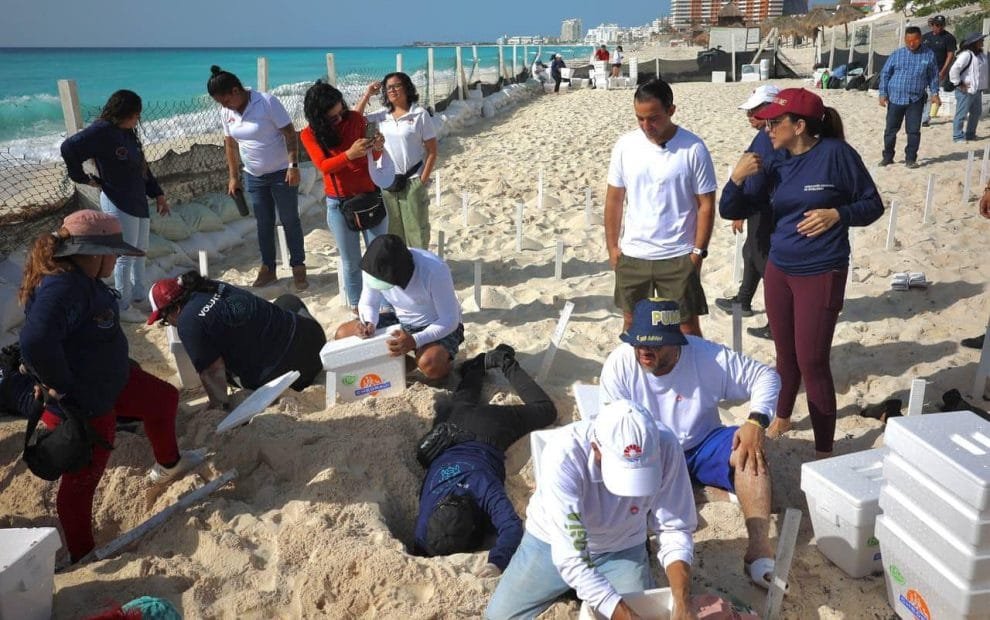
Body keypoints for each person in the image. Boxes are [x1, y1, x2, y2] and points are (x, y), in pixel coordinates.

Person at [18, 210, 202, 562]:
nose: (117, 260)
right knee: (82, 481)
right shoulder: (65, 287)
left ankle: (170, 464)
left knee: (163, 399)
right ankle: (83, 555)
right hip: (87, 403)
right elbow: (35, 340)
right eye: (113, 253)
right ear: (93, 253)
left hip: (112, 379)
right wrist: (62, 386)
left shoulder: (78, 278)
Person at [720, 88, 884, 457]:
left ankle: (824, 450)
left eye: (774, 123)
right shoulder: (774, 160)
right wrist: (736, 179)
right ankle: (782, 417)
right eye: (766, 123)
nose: (767, 129)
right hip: (779, 268)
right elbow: (731, 209)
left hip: (822, 269)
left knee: (812, 360)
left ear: (799, 126)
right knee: (785, 354)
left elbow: (873, 204)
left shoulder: (836, 154)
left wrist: (838, 214)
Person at [598, 298, 781, 588]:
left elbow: (766, 376)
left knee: (751, 453)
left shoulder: (706, 356)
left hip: (702, 441)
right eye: (638, 342)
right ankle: (696, 493)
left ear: (676, 342)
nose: (643, 350)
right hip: (651, 451)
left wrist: (756, 421)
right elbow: (612, 428)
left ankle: (759, 548)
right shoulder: (619, 364)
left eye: (654, 344)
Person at [485, 399, 696, 620]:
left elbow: (675, 528)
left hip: (622, 547)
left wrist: (682, 602)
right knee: (497, 617)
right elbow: (571, 558)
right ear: (596, 449)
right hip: (549, 543)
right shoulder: (564, 454)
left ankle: (585, 588)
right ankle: (569, 587)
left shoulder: (667, 445)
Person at [414, 345, 556, 576]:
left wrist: (496, 563)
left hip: (485, 431)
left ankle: (503, 361)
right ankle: (477, 367)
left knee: (546, 410)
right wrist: (496, 562)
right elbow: (510, 527)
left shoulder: (482, 485)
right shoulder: (424, 528)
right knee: (463, 401)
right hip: (449, 428)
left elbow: (512, 527)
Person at [605, 78, 717, 337]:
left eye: (653, 118)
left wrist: (697, 252)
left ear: (671, 110)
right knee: (632, 325)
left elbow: (706, 204)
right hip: (634, 254)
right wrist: (612, 248)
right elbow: (614, 199)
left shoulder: (693, 148)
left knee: (686, 328)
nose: (646, 126)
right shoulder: (625, 146)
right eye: (640, 119)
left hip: (678, 254)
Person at [60, 90, 169, 324]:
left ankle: (139, 294)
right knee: (125, 255)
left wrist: (158, 193)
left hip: (138, 199)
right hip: (118, 200)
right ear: (123, 113)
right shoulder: (101, 131)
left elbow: (142, 167)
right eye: (135, 115)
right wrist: (82, 178)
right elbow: (69, 148)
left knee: (140, 250)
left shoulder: (128, 133)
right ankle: (122, 304)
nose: (137, 120)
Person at [146, 271, 326, 410]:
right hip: (316, 346)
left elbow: (212, 371)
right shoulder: (212, 286)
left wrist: (218, 406)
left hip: (283, 378)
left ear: (174, 310)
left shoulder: (187, 323)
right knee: (288, 300)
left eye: (165, 320)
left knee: (214, 360)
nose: (169, 324)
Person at [207, 65, 307, 290]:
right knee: (263, 223)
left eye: (225, 100)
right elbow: (230, 144)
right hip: (253, 175)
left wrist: (293, 165)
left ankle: (298, 266)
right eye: (220, 103)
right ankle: (268, 268)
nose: (224, 106)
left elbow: (289, 133)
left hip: (281, 172)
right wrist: (233, 177)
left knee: (290, 219)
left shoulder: (266, 102)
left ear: (235, 91)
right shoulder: (226, 112)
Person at [300, 81, 390, 312]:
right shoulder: (309, 134)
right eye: (333, 118)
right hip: (340, 203)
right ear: (318, 118)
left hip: (369, 196)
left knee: (379, 257)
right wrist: (349, 154)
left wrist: (377, 147)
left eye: (341, 112)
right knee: (351, 262)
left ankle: (387, 307)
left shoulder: (355, 119)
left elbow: (372, 158)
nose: (340, 119)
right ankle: (357, 309)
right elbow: (323, 166)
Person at [335, 234, 463, 381]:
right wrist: (369, 322)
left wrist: (415, 340)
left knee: (430, 364)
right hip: (401, 319)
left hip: (438, 324)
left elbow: (450, 320)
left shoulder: (434, 269)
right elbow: (369, 302)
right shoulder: (372, 266)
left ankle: (438, 363)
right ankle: (406, 362)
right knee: (343, 335)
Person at [714, 85, 780, 341]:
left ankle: (777, 323)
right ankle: (743, 300)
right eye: (749, 110)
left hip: (764, 207)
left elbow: (757, 177)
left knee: (765, 261)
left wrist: (740, 204)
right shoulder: (765, 133)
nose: (749, 115)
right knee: (750, 252)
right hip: (758, 205)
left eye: (755, 109)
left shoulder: (767, 137)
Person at [358, 72, 438, 250]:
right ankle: (400, 266)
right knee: (393, 232)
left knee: (417, 231)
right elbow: (355, 119)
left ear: (407, 87)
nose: (392, 90)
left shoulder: (419, 114)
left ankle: (419, 265)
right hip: (388, 181)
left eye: (396, 86)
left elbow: (432, 151)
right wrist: (368, 94)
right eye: (388, 88)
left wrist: (422, 181)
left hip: (413, 180)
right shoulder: (381, 116)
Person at [878, 26, 941, 168]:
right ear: (904, 39)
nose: (911, 43)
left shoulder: (928, 55)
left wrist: (935, 94)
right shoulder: (897, 54)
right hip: (895, 98)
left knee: (913, 131)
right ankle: (888, 157)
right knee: (890, 130)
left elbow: (933, 76)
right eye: (908, 41)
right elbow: (885, 74)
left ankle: (911, 159)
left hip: (915, 100)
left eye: (914, 40)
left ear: (920, 39)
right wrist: (883, 93)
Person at [948, 33, 988, 144]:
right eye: (980, 40)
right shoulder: (966, 55)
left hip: (977, 90)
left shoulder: (981, 55)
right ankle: (957, 136)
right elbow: (954, 69)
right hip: (965, 90)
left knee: (976, 113)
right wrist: (959, 83)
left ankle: (970, 134)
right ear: (974, 43)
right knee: (961, 114)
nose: (982, 41)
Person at [921, 15, 957, 127]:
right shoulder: (925, 37)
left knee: (932, 93)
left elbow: (950, 55)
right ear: (932, 25)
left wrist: (944, 70)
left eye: (941, 25)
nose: (939, 27)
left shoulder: (949, 38)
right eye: (937, 25)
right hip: (923, 69)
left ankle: (926, 118)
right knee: (921, 93)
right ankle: (921, 114)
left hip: (938, 69)